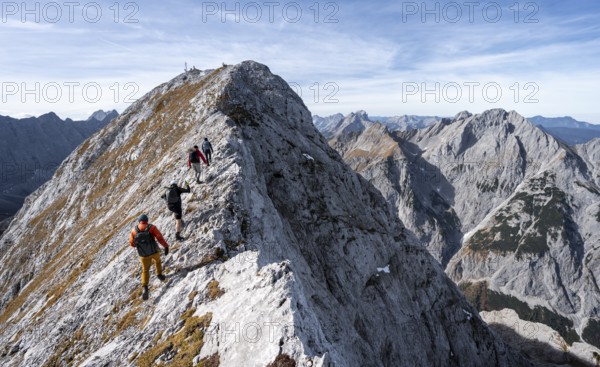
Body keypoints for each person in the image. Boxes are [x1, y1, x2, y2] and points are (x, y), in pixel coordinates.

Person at [129, 214, 170, 300]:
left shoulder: (134, 231)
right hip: (154, 251)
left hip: (143, 255)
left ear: (139, 221)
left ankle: (145, 287)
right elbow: (159, 237)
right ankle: (159, 274)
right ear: (147, 220)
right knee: (158, 261)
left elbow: (132, 244)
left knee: (145, 270)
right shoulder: (152, 227)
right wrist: (165, 246)